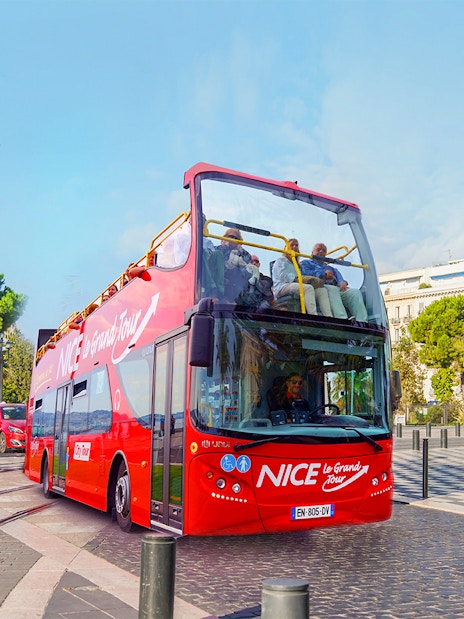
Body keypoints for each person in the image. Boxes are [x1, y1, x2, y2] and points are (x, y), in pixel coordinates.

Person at [300, 243, 368, 322]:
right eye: (318, 249)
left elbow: (339, 277)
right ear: (312, 252)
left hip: (337, 289)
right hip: (320, 287)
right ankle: (342, 318)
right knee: (332, 289)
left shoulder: (330, 267)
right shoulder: (306, 263)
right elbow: (305, 274)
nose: (321, 251)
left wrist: (342, 282)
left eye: (324, 250)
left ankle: (362, 321)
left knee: (354, 292)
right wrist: (323, 274)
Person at [272, 238, 332, 316]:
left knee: (322, 291)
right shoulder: (281, 260)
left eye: (296, 245)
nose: (295, 247)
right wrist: (298, 279)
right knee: (307, 288)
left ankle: (328, 316)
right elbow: (283, 276)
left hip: (296, 284)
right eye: (292, 245)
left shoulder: (297, 264)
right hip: (282, 286)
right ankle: (313, 315)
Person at [215, 228, 253, 303]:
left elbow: (248, 260)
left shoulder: (242, 253)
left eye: (236, 238)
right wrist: (225, 245)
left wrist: (240, 249)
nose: (234, 239)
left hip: (235, 287)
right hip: (220, 283)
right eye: (231, 237)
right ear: (226, 237)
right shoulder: (219, 249)